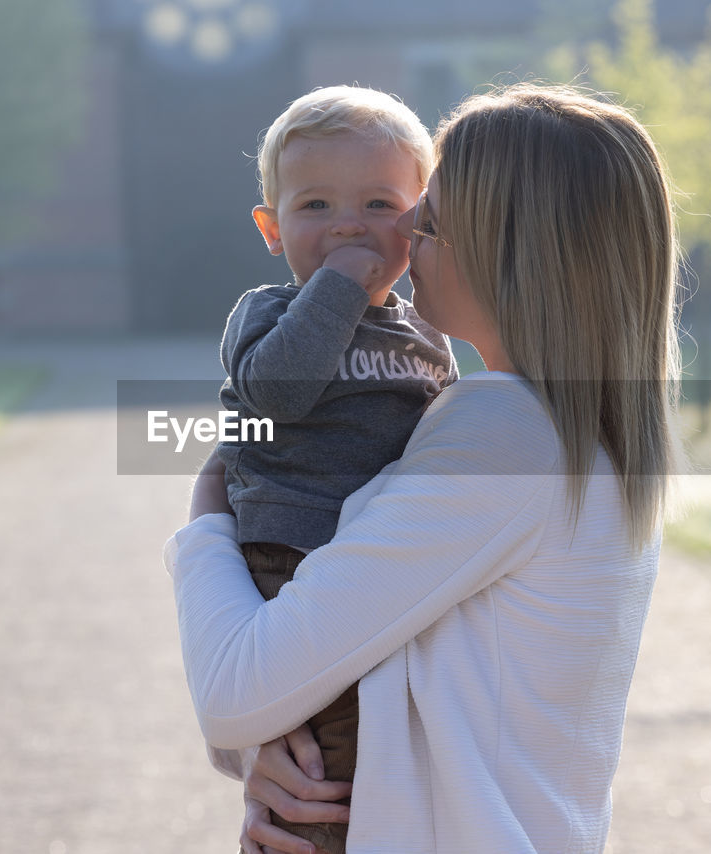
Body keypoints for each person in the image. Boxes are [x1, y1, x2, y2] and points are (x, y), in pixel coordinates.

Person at [168, 82, 681, 854]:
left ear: (514, 252)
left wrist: (207, 516)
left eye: (429, 218)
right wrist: (273, 755)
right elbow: (377, 660)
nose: (396, 231)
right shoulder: (569, 431)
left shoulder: (506, 435)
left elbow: (238, 691)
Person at [214, 85, 458, 854]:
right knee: (328, 765)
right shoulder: (269, 313)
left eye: (379, 204)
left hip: (380, 568)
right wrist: (340, 287)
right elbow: (275, 394)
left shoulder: (427, 333)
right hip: (293, 556)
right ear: (271, 228)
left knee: (394, 748)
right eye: (315, 206)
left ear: (420, 220)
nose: (348, 224)